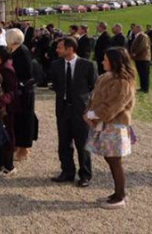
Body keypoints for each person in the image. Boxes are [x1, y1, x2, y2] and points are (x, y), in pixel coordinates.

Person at [85, 47, 138, 209]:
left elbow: (114, 105)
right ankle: (118, 193)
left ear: (115, 62)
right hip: (105, 123)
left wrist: (92, 114)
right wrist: (89, 112)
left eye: (106, 60)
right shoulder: (105, 77)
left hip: (114, 125)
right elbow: (94, 98)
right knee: (110, 158)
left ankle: (120, 195)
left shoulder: (122, 83)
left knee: (114, 159)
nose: (102, 62)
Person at [50, 37, 97, 187]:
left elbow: (93, 87)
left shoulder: (87, 65)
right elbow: (56, 85)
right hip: (63, 109)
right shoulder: (56, 65)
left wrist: (89, 109)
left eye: (60, 47)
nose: (57, 50)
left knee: (82, 143)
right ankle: (67, 172)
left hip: (81, 110)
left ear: (70, 49)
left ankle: (85, 175)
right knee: (64, 142)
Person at [5, 29, 38, 162]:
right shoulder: (15, 51)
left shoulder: (22, 52)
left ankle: (24, 148)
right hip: (17, 91)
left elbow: (27, 73)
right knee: (17, 120)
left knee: (25, 120)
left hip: (24, 93)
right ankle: (16, 145)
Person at [0, 46, 18, 176]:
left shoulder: (6, 69)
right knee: (0, 136)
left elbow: (12, 91)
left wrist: (0, 101)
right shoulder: (0, 67)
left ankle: (9, 166)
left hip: (6, 109)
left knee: (7, 136)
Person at [130, 24, 151, 93]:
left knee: (144, 73)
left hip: (143, 58)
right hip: (139, 58)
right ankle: (142, 87)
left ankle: (145, 88)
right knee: (141, 73)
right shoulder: (137, 36)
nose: (133, 30)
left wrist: (135, 53)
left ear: (139, 29)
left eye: (135, 28)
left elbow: (143, 45)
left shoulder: (143, 36)